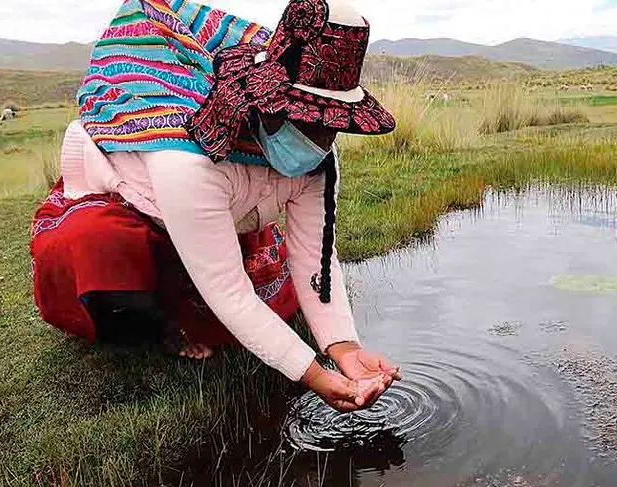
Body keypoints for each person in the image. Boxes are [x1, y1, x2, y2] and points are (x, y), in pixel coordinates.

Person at [30, 0, 400, 413]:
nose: (321, 138)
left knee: (263, 302)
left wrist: (346, 351)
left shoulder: (318, 160)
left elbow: (316, 259)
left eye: (333, 124)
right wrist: (315, 375)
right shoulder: (187, 159)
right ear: (266, 106)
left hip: (217, 211)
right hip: (138, 202)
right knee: (97, 248)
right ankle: (149, 324)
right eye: (308, 120)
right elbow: (229, 292)